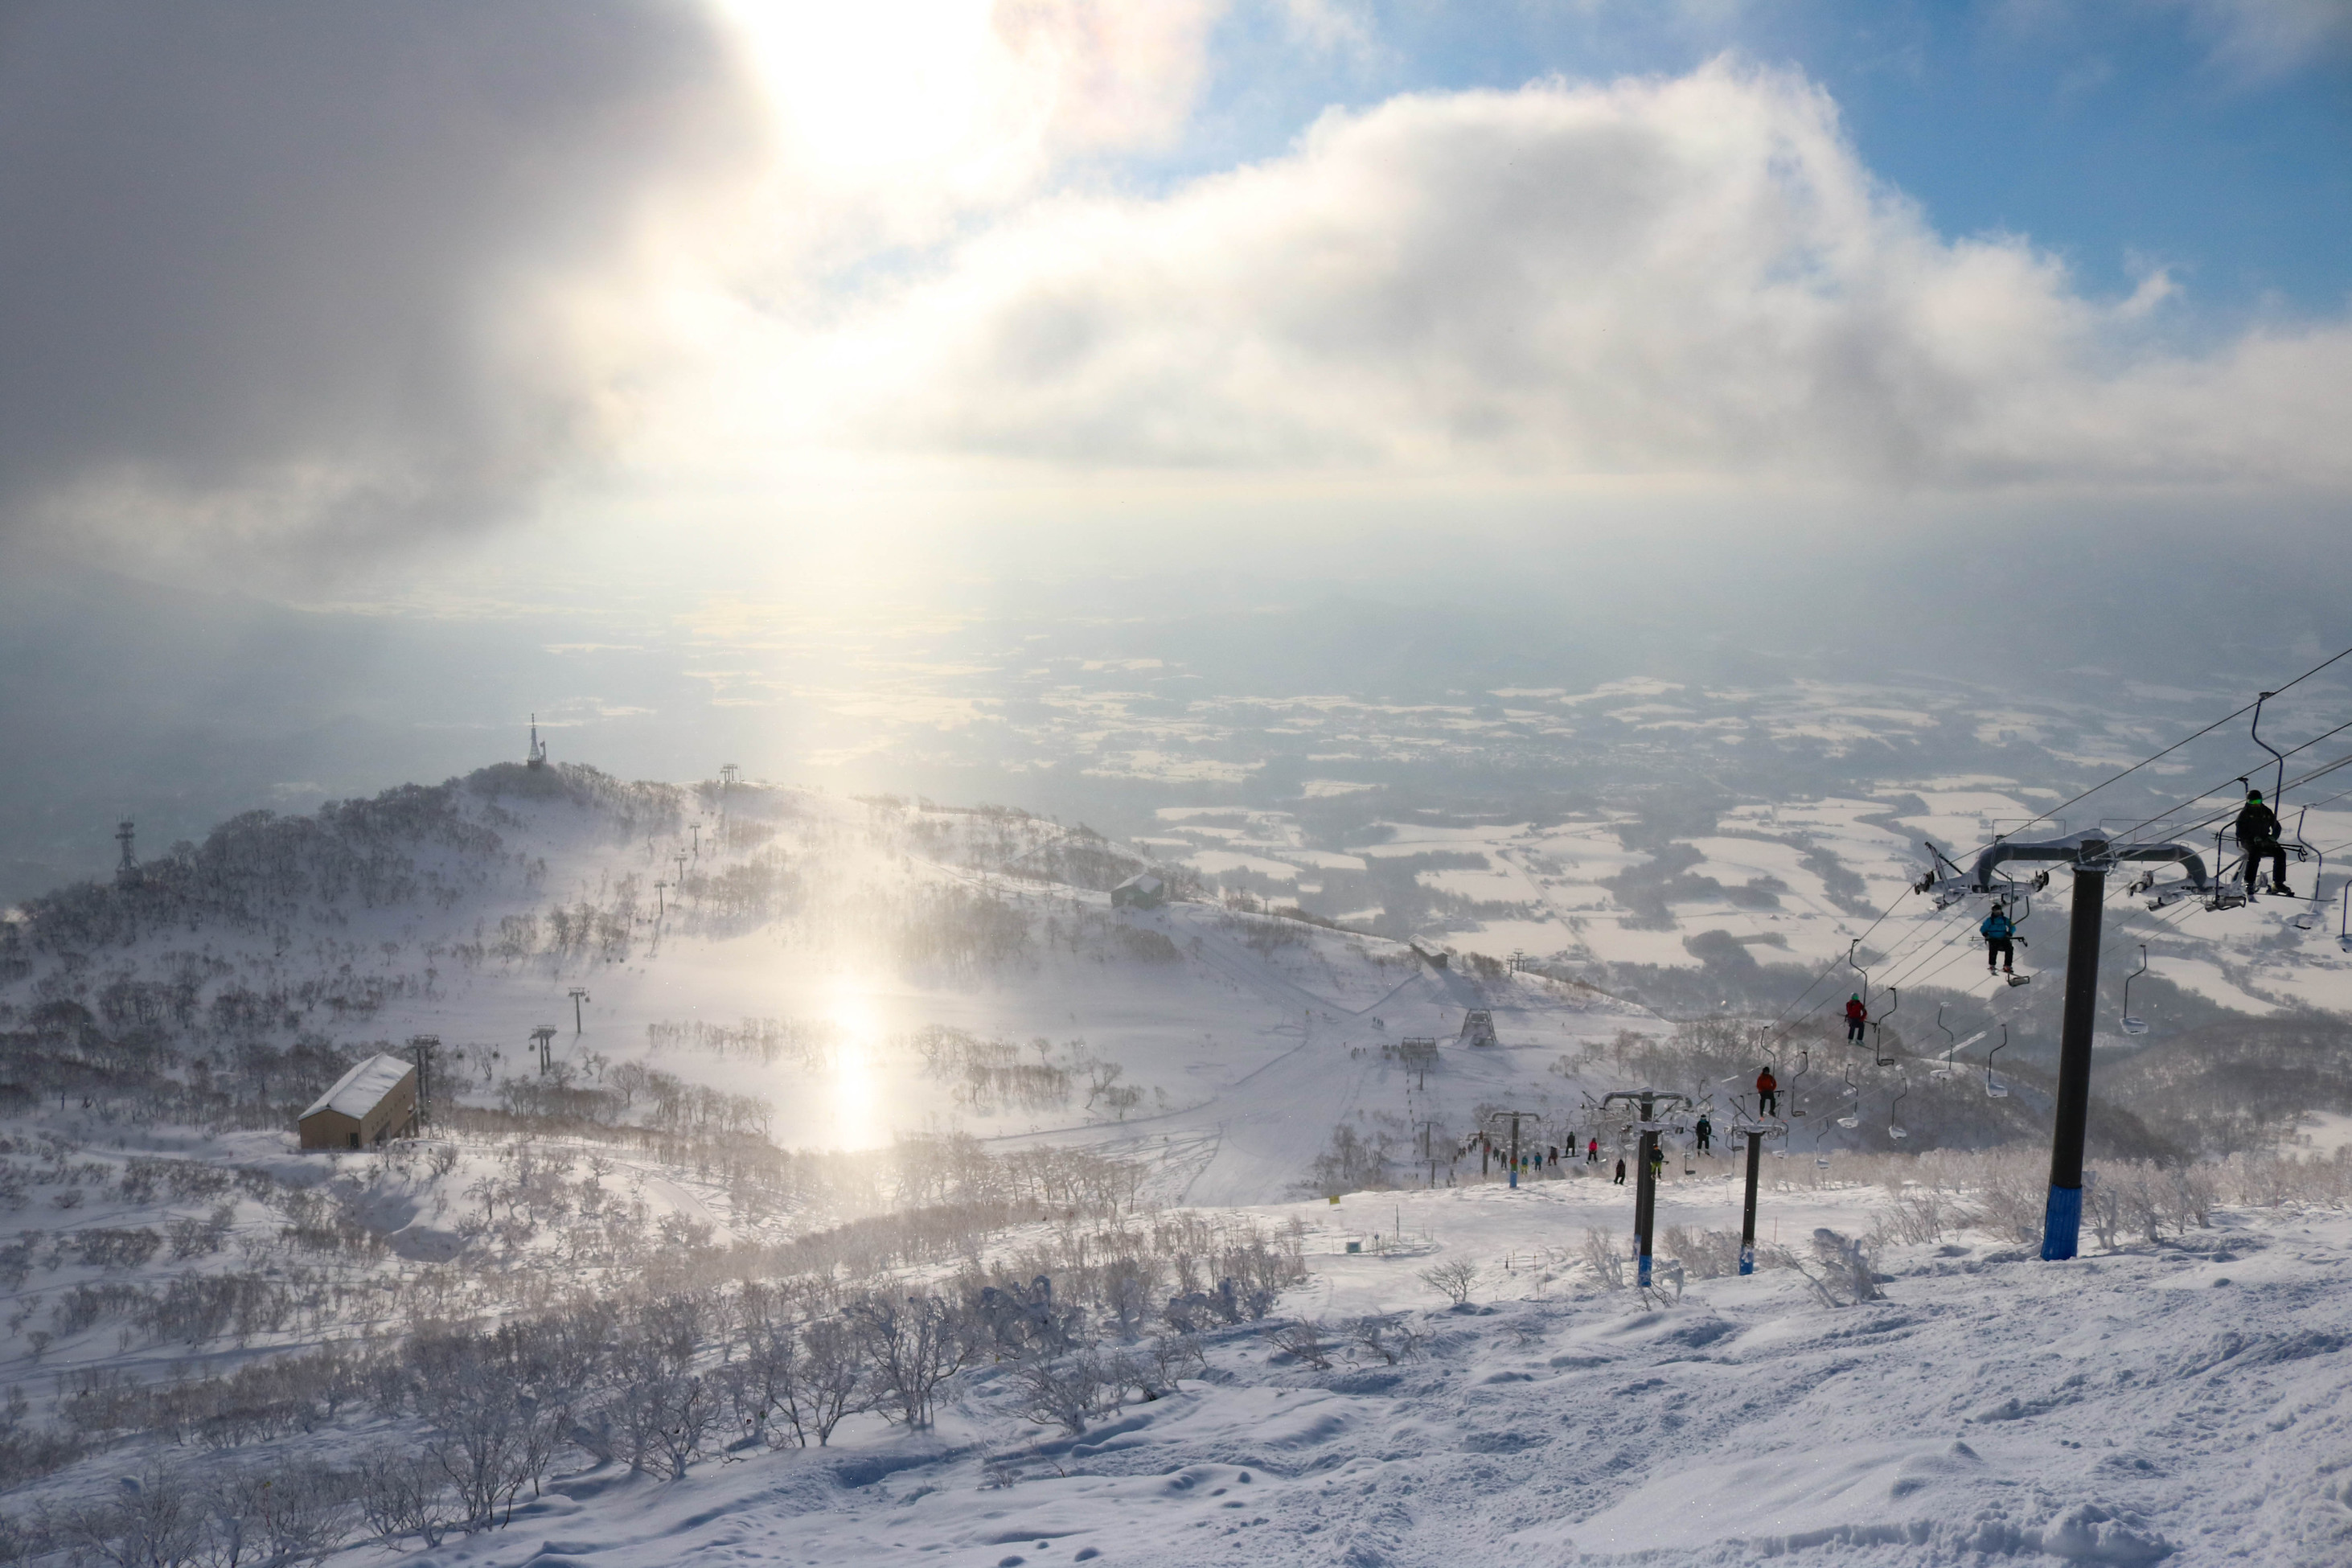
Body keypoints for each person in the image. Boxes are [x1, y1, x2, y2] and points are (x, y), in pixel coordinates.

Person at [2236, 790, 2292, 897]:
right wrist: (2253, 838)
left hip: (2265, 840)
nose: (2256, 804)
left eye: (2258, 801)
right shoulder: (2244, 814)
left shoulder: (2266, 811)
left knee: (2280, 853)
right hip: (2249, 842)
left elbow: (2276, 827)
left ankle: (2278, 883)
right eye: (2253, 802)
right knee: (2254, 854)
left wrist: (2273, 838)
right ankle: (2250, 882)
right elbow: (2239, 832)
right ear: (2248, 802)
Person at [1981, 903, 2017, 975]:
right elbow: (1983, 928)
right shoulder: (1989, 920)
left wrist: (2010, 933)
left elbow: (2013, 926)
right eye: (1996, 911)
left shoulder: (2005, 919)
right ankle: (1992, 965)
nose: (1997, 913)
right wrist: (1986, 935)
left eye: (1998, 911)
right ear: (1993, 911)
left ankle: (2007, 966)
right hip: (1993, 939)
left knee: (2009, 948)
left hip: (2003, 938)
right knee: (1993, 950)